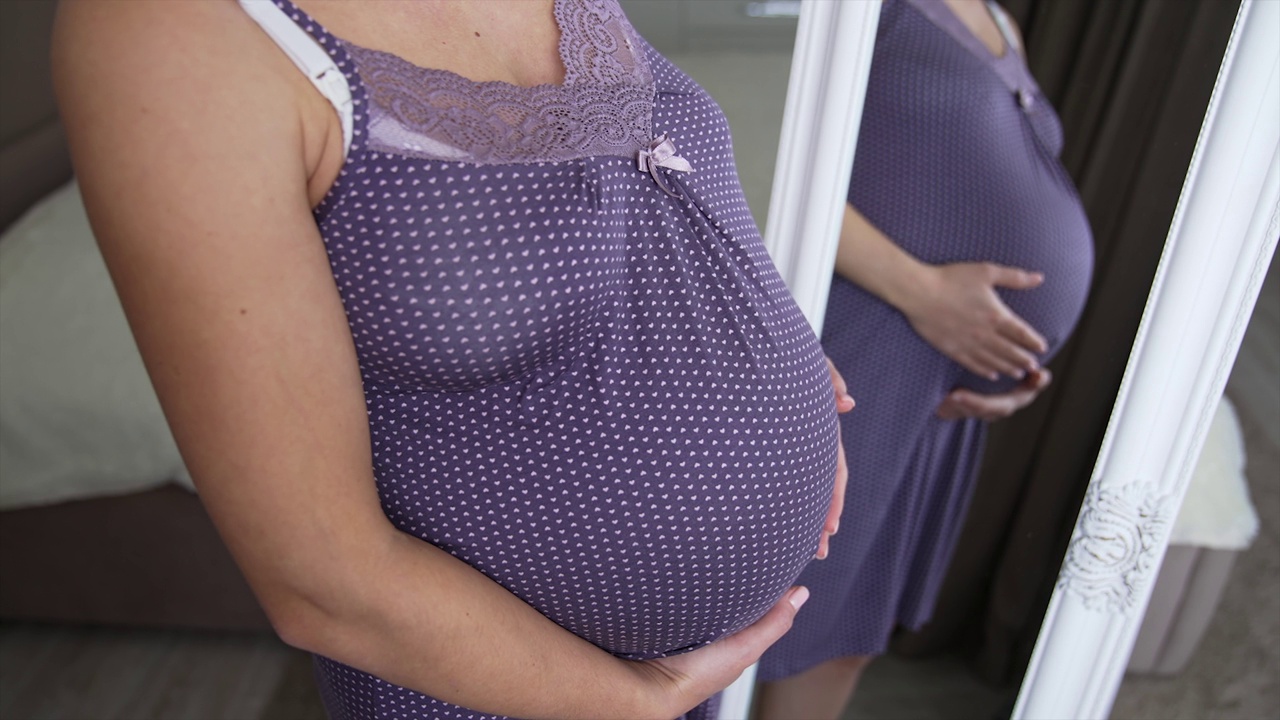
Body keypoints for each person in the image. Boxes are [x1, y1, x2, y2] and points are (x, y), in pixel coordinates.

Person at [51, 1, 852, 718]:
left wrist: (765, 350)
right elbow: (321, 580)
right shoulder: (169, 28)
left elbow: (653, 178)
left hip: (676, 676)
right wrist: (634, 703)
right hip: (496, 696)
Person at [755, 0, 1094, 717]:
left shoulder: (1000, 18)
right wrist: (926, 294)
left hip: (939, 394)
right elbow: (765, 150)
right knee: (769, 618)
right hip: (864, 354)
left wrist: (1012, 368)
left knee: (846, 630)